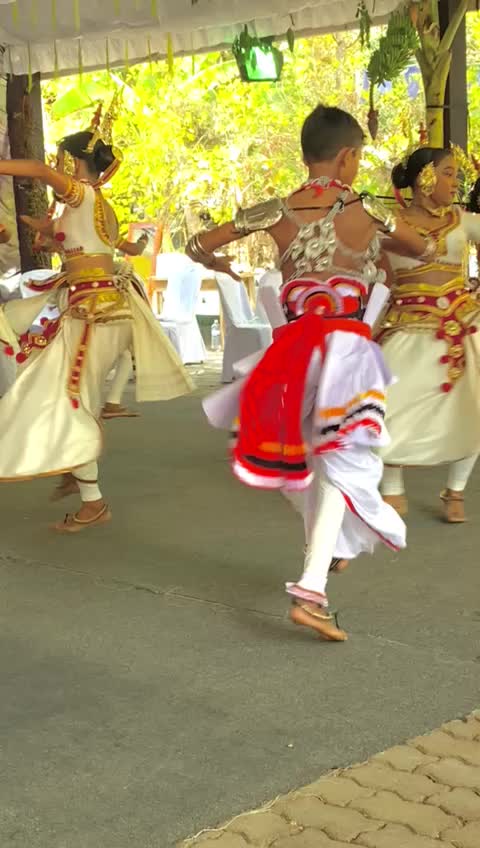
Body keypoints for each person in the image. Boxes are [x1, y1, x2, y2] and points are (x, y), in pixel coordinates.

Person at [188, 104, 436, 642]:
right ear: (347, 157)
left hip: (292, 352)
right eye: (358, 157)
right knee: (342, 465)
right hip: (346, 354)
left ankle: (326, 550)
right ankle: (311, 589)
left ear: (307, 155)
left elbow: (198, 245)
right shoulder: (366, 209)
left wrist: (219, 264)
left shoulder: (274, 212)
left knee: (303, 460)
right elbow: (426, 248)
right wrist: (380, 235)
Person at [0, 102, 193, 531]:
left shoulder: (82, 194)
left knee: (66, 396)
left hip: (94, 312)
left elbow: (36, 169)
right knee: (59, 386)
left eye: (64, 160)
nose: (59, 166)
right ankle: (76, 463)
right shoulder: (89, 205)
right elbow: (88, 246)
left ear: (74, 162)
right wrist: (41, 231)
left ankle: (92, 498)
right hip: (95, 307)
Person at [378, 146, 480, 523]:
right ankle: (392, 487)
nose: (456, 183)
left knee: (472, 406)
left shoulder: (463, 221)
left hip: (464, 322)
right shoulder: (388, 223)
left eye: (456, 175)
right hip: (405, 322)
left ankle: (456, 489)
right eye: (449, 173)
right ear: (425, 178)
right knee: (389, 403)